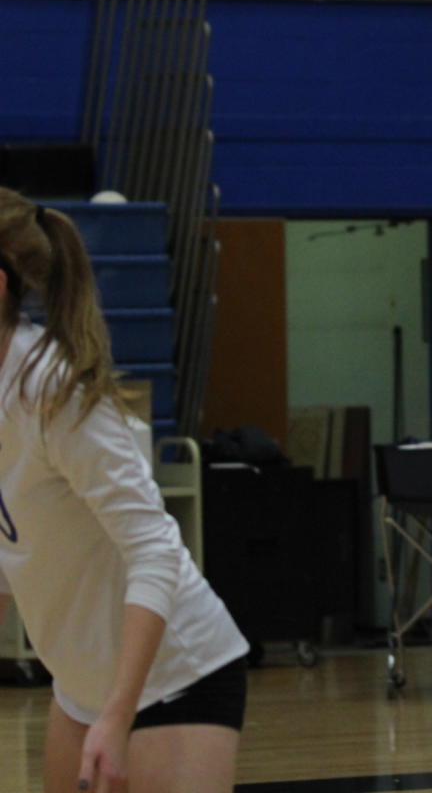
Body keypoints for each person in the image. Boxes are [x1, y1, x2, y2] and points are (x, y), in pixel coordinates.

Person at [0, 189, 249, 793]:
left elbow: (155, 551)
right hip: (82, 682)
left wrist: (118, 714)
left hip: (173, 677)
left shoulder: (54, 392)